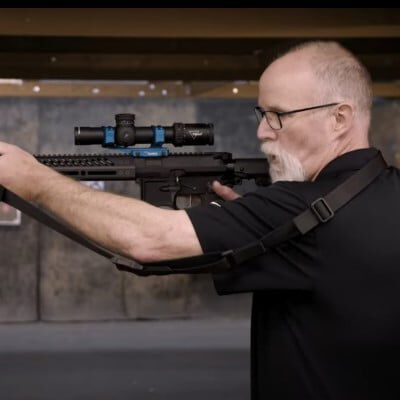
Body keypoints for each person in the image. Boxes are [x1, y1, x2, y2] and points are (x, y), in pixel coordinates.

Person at [0, 40, 398, 399]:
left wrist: (32, 179)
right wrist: (247, 218)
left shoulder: (299, 207)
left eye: (278, 115)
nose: (262, 131)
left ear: (340, 119)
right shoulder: (384, 191)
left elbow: (149, 239)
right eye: (262, 114)